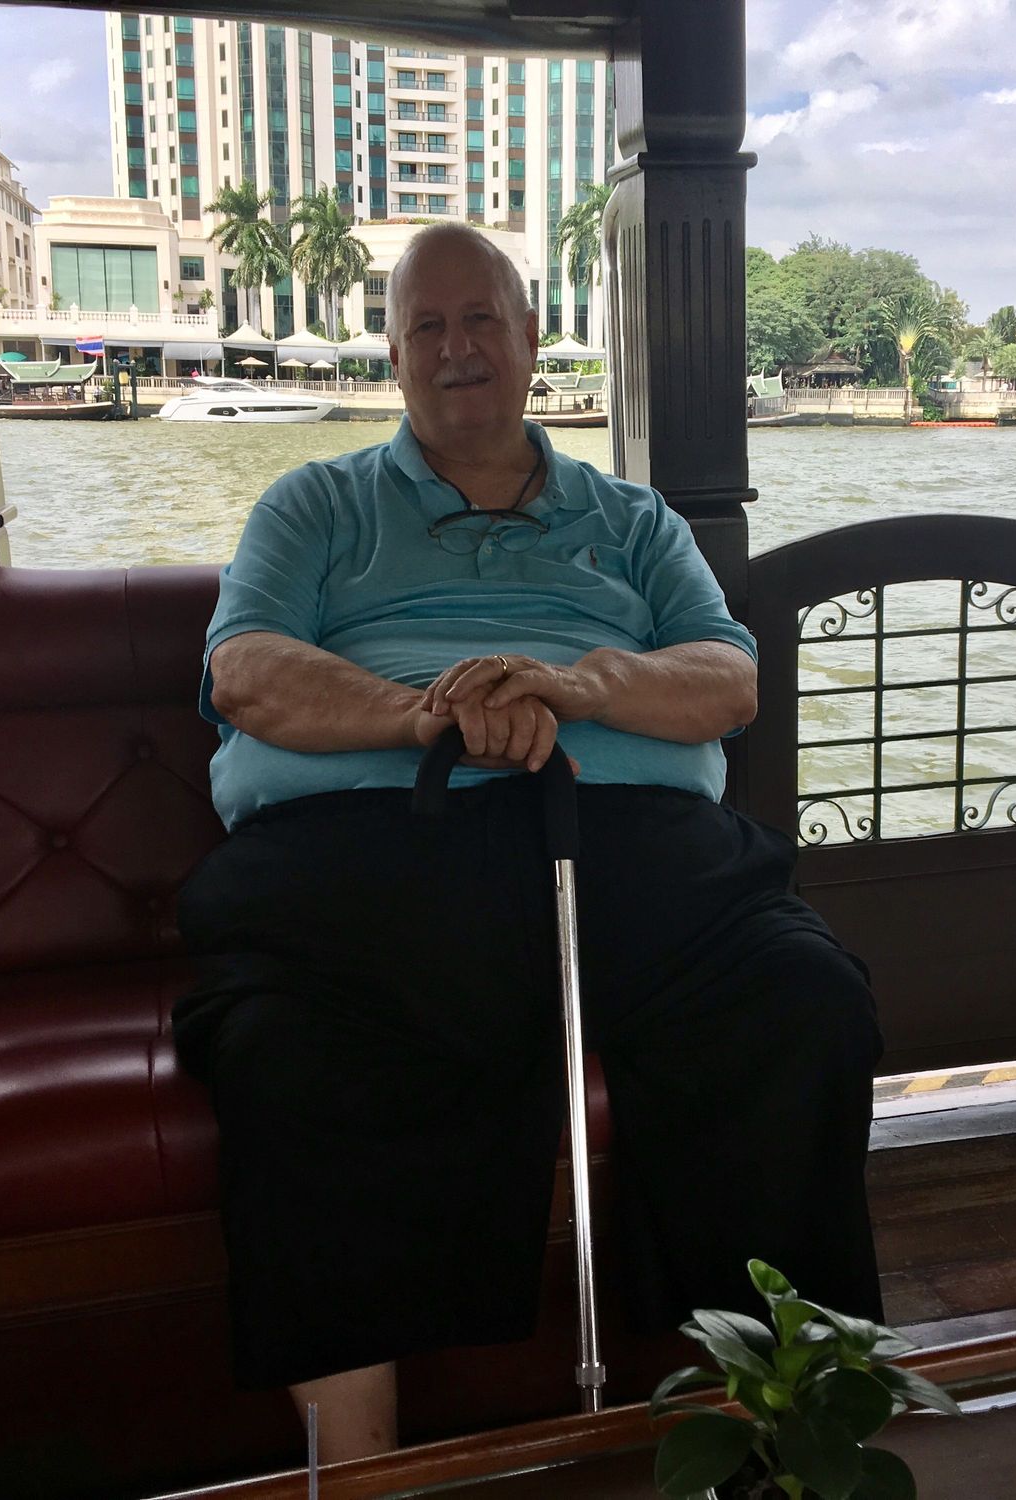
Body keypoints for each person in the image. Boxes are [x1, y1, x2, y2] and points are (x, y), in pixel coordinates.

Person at [172, 223, 882, 1464]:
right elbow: (246, 672)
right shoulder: (314, 504)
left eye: (480, 319)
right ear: (393, 353)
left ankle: (785, 1429)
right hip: (367, 862)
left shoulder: (634, 519)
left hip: (635, 854)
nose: (456, 347)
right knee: (291, 1057)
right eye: (426, 326)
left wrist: (577, 684)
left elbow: (727, 679)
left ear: (530, 337)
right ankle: (361, 1473)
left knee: (800, 998)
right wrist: (430, 713)